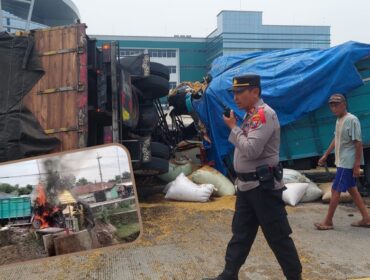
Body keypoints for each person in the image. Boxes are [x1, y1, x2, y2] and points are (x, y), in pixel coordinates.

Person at [203, 74, 302, 280]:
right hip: (248, 188)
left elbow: (251, 150)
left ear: (255, 92)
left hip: (263, 188)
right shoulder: (250, 115)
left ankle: (295, 277)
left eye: (240, 92)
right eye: (234, 93)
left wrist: (232, 127)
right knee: (241, 234)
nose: (236, 97)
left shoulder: (264, 114)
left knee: (278, 237)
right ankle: (229, 274)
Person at [315, 93, 370, 230]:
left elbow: (358, 143)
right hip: (342, 162)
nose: (334, 108)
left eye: (336, 105)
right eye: (332, 106)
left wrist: (357, 166)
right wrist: (326, 155)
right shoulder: (339, 120)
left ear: (344, 104)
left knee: (335, 190)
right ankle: (367, 218)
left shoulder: (352, 120)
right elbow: (336, 139)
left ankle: (328, 221)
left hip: (348, 163)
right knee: (352, 190)